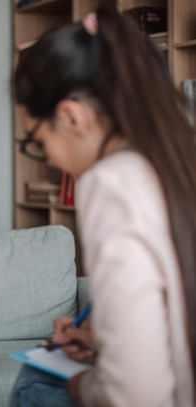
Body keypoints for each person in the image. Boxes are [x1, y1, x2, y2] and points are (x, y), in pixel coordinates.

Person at [10, 5, 196, 407]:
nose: (50, 159)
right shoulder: (177, 158)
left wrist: (82, 386)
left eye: (37, 143)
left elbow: (136, 395)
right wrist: (108, 338)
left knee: (36, 382)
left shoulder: (112, 184)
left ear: (72, 117)